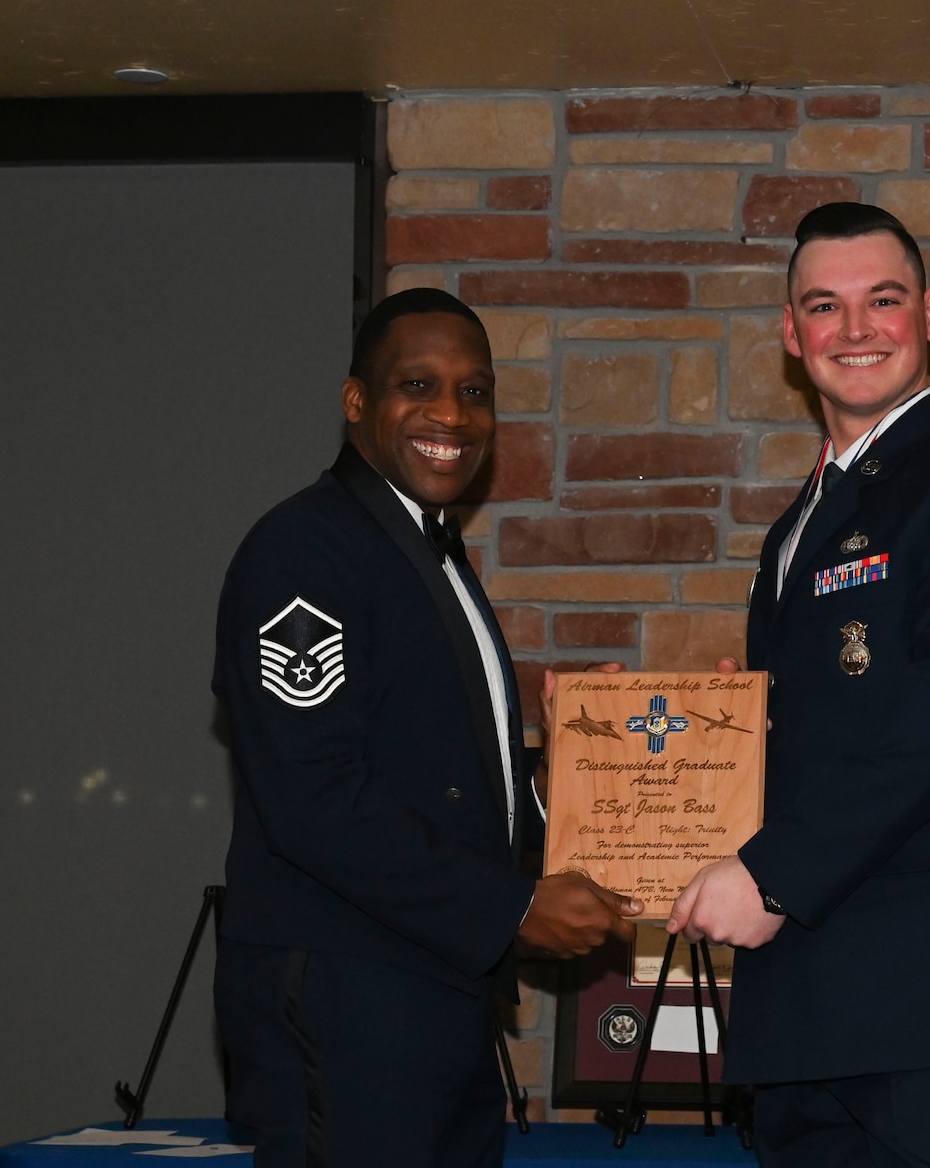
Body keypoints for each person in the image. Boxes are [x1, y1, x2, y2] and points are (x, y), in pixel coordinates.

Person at [667, 203, 930, 1166]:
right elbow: (835, 726)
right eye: (825, 305)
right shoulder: (796, 529)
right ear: (791, 333)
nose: (855, 330)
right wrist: (690, 735)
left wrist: (768, 874)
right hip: (810, 1016)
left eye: (883, 300)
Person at [212, 287, 641, 1168]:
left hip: (429, 998)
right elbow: (313, 796)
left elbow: (435, 782)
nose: (451, 412)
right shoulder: (305, 551)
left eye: (475, 391)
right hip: (346, 999)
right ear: (357, 402)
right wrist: (514, 905)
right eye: (418, 384)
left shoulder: (427, 554)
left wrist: (564, 777)